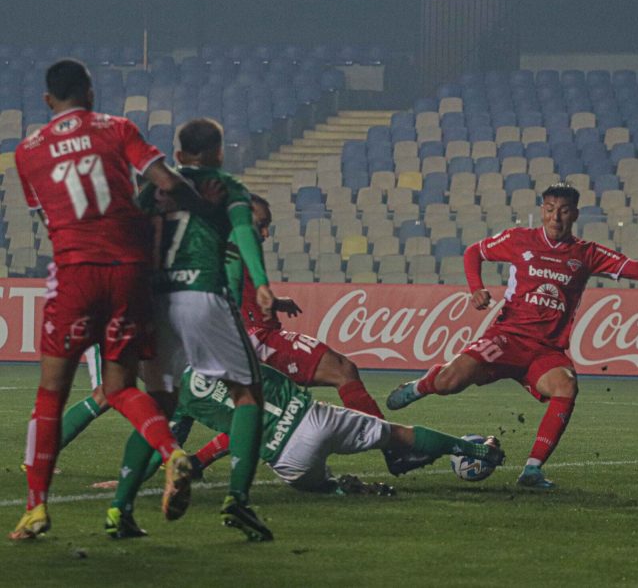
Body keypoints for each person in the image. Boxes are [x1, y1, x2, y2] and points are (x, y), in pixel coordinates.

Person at [386, 183, 638, 488]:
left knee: (566, 386)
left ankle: (532, 470)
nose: (555, 217)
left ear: (575, 214)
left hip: (545, 350)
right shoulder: (520, 240)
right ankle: (421, 385)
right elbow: (473, 251)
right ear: (542, 210)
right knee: (449, 383)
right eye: (550, 209)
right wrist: (475, 289)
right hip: (507, 338)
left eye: (563, 211)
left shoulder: (587, 253)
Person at [10, 59, 200, 540]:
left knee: (51, 392)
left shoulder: (28, 151)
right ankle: (172, 452)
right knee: (120, 386)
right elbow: (168, 183)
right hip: (131, 273)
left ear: (48, 100)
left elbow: (47, 213)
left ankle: (36, 510)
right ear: (90, 93)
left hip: (76, 273)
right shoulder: (118, 128)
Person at [102, 363, 505, 539]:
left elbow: (162, 444)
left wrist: (133, 478)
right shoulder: (225, 350)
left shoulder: (174, 397)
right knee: (396, 435)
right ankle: (475, 451)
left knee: (316, 486)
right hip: (311, 416)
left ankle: (351, 490)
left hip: (284, 457)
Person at [111, 117, 277, 541]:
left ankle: (120, 508)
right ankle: (238, 500)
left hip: (154, 300)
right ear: (220, 152)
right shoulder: (228, 187)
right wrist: (261, 285)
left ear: (179, 154)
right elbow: (244, 234)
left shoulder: (153, 187)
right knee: (247, 394)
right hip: (203, 294)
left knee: (159, 405)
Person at [228, 196, 421, 474]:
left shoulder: (229, 247)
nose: (266, 234)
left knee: (258, 409)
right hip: (257, 339)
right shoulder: (230, 248)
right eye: (262, 225)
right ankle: (394, 449)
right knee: (342, 369)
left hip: (253, 336)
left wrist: (274, 303)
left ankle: (187, 458)